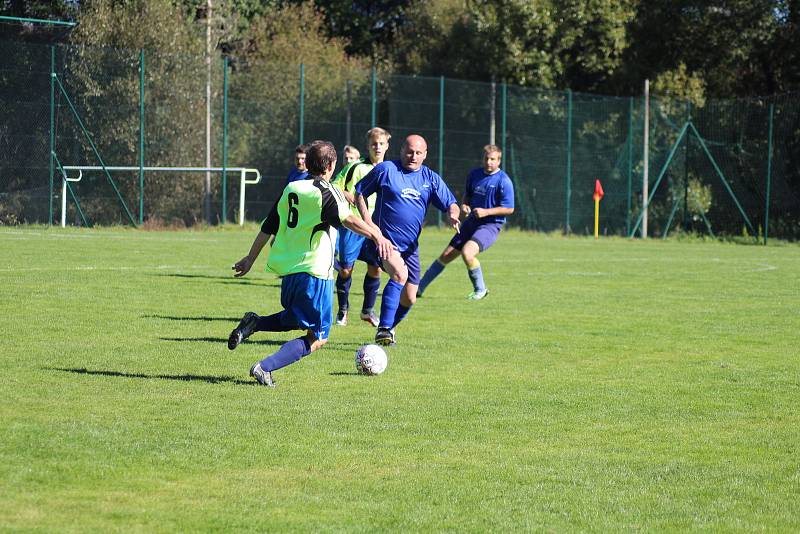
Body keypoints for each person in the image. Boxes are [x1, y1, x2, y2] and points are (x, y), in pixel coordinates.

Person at [228, 140, 392, 387]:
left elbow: (268, 225)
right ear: (330, 165)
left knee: (295, 318)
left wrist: (250, 258)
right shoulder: (328, 191)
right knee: (318, 337)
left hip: (290, 273)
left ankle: (255, 322)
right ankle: (265, 368)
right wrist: (376, 234)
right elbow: (348, 220)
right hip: (315, 273)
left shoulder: (292, 188)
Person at [355, 134, 460, 346]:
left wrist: (452, 213)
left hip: (411, 248)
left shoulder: (430, 178)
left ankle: (389, 328)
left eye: (418, 153)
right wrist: (370, 224)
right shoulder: (386, 170)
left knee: (410, 297)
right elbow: (359, 192)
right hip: (385, 241)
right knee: (399, 274)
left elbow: (451, 202)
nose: (413, 156)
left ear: (425, 154)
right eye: (409, 151)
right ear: (401, 150)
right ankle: (383, 329)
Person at [417, 145, 515, 300]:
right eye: (486, 158)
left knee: (468, 253)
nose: (489, 162)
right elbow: (467, 196)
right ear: (482, 158)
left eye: (493, 159)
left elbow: (509, 208)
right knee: (446, 255)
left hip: (490, 225)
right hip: (471, 222)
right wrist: (464, 205)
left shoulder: (504, 181)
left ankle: (480, 289)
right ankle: (419, 289)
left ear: (499, 161)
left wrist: (486, 212)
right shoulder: (474, 174)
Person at [331, 127, 391, 328]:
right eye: (374, 144)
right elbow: (334, 185)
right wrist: (347, 194)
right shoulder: (355, 167)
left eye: (381, 144)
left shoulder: (390, 169)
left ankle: (367, 310)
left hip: (376, 228)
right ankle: (343, 310)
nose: (378, 147)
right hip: (353, 226)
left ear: (387, 146)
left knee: (376, 268)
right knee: (346, 270)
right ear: (368, 146)